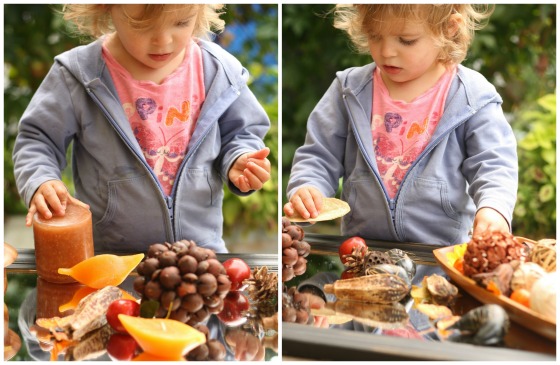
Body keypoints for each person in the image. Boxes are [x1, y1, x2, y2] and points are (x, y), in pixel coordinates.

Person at [13, 4, 272, 253]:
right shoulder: (77, 74)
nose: (163, 41)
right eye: (141, 25)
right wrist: (40, 180)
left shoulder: (218, 71)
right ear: (107, 6)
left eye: (181, 22)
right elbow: (38, 139)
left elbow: (241, 133)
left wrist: (240, 157)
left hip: (200, 258)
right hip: (113, 259)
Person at [284, 4, 518, 246]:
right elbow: (319, 155)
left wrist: (494, 208)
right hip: (361, 256)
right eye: (375, 35)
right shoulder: (349, 90)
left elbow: (494, 164)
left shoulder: (471, 96)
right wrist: (308, 187)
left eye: (406, 40)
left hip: (439, 259)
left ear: (449, 28)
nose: (386, 52)